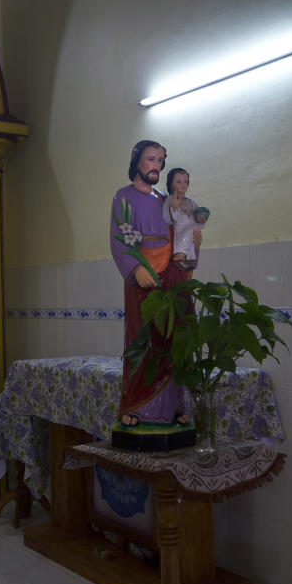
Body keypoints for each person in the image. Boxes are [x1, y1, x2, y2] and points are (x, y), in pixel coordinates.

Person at [109, 141, 201, 427]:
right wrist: (135, 268)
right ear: (137, 161)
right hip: (144, 278)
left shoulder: (166, 199)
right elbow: (119, 239)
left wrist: (195, 243)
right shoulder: (123, 197)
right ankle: (136, 405)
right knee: (145, 338)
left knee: (174, 338)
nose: (157, 166)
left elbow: (180, 235)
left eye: (161, 160)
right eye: (151, 159)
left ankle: (174, 407)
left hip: (171, 274)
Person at [162, 167, 210, 270]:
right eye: (179, 182)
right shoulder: (170, 200)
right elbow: (167, 219)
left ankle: (188, 258)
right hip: (178, 234)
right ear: (171, 184)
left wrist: (202, 220)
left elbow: (198, 223)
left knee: (191, 229)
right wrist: (174, 208)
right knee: (189, 229)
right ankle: (180, 253)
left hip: (191, 236)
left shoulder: (192, 203)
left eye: (185, 181)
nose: (183, 184)